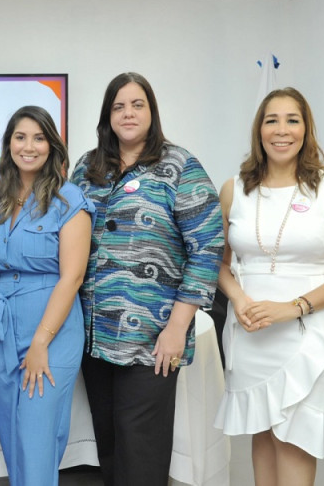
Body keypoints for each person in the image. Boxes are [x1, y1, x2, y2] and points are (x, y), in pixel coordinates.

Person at [70, 72, 224, 485]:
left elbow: (208, 247)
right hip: (93, 335)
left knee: (142, 451)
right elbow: (66, 236)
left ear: (152, 112)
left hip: (154, 337)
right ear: (107, 116)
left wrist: (177, 328)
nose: (128, 113)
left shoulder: (180, 166)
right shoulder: (87, 167)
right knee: (111, 445)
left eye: (137, 104)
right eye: (118, 106)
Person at [214, 87, 324, 485]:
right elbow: (217, 262)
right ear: (258, 130)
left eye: (292, 120)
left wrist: (292, 307)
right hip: (250, 331)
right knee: (262, 433)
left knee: (295, 438)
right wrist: (240, 299)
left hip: (311, 332)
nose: (281, 130)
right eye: (271, 120)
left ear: (306, 129)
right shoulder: (234, 190)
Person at [0, 106, 93, 485]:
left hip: (51, 329)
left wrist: (41, 341)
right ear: (8, 145)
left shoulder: (69, 199)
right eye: (20, 137)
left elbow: (71, 277)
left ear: (52, 146)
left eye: (39, 138)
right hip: (1, 330)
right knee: (10, 434)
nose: (29, 146)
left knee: (36, 436)